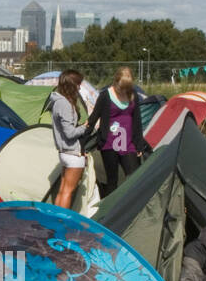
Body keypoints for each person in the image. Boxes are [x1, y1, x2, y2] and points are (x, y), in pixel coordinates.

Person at [85, 66, 151, 198]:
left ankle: (132, 207)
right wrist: (83, 142)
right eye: (121, 88)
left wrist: (139, 144)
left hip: (128, 143)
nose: (123, 92)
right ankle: (110, 213)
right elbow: (93, 118)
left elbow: (137, 121)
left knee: (134, 177)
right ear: (115, 83)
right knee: (112, 181)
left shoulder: (133, 96)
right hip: (109, 144)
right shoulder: (105, 96)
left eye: (127, 89)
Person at [48, 69, 87, 210]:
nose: (79, 87)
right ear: (72, 85)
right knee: (68, 192)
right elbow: (70, 133)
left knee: (63, 190)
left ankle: (56, 219)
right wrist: (85, 127)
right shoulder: (64, 104)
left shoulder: (57, 101)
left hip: (64, 152)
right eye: (78, 84)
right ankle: (62, 221)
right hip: (73, 153)